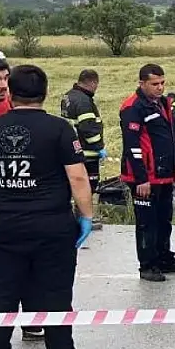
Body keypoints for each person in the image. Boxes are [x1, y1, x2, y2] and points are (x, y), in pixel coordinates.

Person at [0, 64, 96, 349]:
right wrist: (86, 216)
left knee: (1, 291)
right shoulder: (59, 129)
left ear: (12, 92)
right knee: (56, 291)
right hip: (52, 225)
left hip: (5, 225)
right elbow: (77, 177)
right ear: (44, 92)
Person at [0, 53, 46, 343]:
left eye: (6, 78)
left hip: (14, 201)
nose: (3, 85)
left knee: (30, 267)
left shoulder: (10, 108)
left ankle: (33, 320)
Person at [119, 64, 175, 282]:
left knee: (164, 220)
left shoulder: (163, 103)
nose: (160, 88)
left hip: (164, 174)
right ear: (142, 83)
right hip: (144, 177)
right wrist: (141, 179)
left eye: (162, 83)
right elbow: (132, 146)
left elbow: (170, 137)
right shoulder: (132, 108)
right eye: (154, 84)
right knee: (147, 224)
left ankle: (164, 258)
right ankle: (147, 265)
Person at [60, 69, 108, 230]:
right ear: (93, 82)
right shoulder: (83, 101)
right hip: (87, 153)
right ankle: (84, 216)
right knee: (89, 186)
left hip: (72, 150)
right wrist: (99, 147)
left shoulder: (68, 96)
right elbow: (88, 128)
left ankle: (76, 215)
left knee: (74, 185)